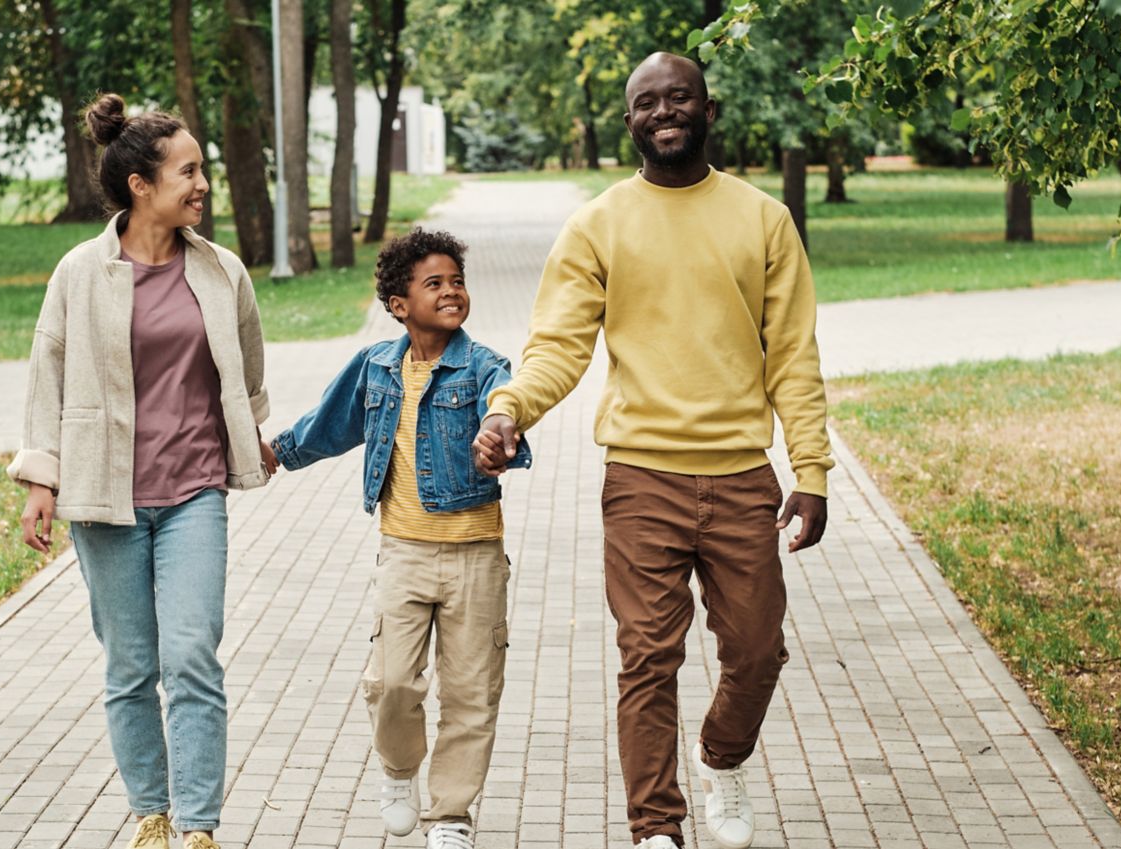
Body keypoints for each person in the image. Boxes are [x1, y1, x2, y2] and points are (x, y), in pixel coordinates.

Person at [473, 52, 834, 849]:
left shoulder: (762, 218)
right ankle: (655, 828)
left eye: (678, 99)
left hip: (742, 476)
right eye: (646, 102)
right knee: (647, 656)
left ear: (709, 112)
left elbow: (793, 357)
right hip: (641, 478)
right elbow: (557, 346)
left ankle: (721, 757)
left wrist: (810, 471)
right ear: (629, 121)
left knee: (756, 650)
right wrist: (510, 412)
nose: (663, 112)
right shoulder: (598, 224)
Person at [8, 92, 275, 849]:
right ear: (140, 185)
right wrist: (40, 477)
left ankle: (197, 825)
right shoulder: (79, 272)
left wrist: (249, 430)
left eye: (203, 171)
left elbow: (245, 367)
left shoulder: (222, 272)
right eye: (188, 172)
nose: (202, 184)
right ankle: (150, 814)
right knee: (130, 665)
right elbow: (46, 375)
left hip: (193, 491)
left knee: (190, 652)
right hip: (105, 496)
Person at [264, 229, 531, 849]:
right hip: (404, 553)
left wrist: (499, 436)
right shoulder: (376, 367)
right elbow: (328, 425)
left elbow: (506, 407)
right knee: (390, 685)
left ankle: (452, 816)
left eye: (457, 281)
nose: (450, 292)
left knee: (471, 694)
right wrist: (275, 452)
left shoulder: (486, 365)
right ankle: (398, 769)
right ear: (397, 304)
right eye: (432, 283)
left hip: (476, 558)